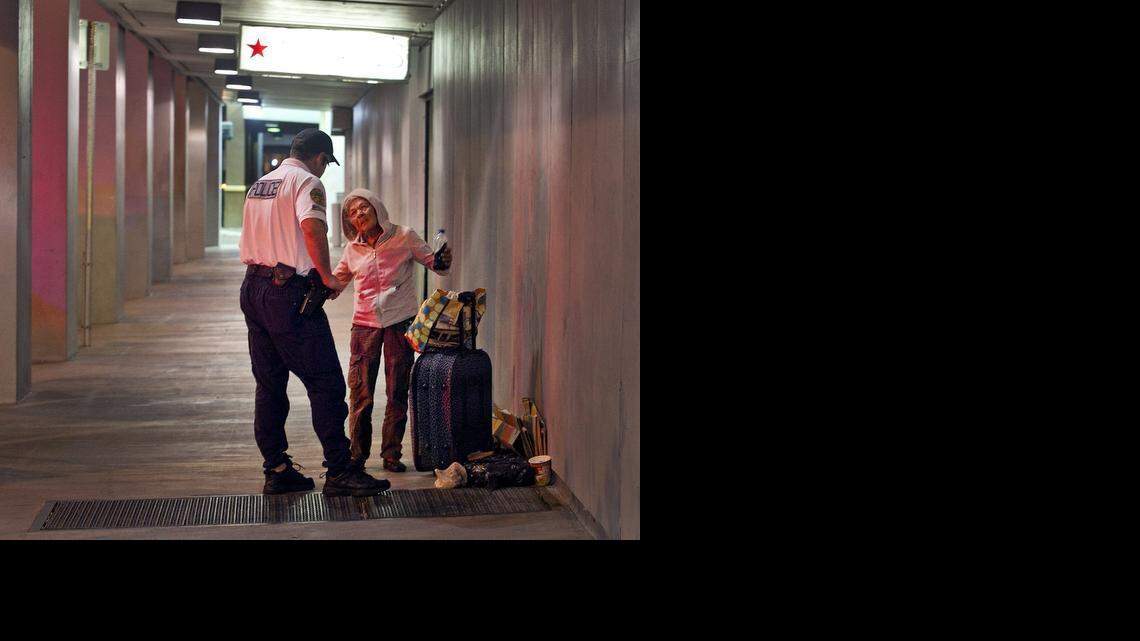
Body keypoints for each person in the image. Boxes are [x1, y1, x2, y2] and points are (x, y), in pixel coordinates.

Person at [238, 129, 389, 497]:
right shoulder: (307, 182)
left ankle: (276, 468)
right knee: (326, 383)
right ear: (320, 158)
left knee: (270, 384)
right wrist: (327, 278)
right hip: (286, 294)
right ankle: (339, 470)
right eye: (326, 163)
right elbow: (312, 229)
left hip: (253, 289)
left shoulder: (261, 184)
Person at [334, 188, 452, 473]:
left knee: (397, 389)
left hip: (399, 323)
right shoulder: (352, 249)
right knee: (361, 392)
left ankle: (391, 454)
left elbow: (436, 266)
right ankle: (357, 455)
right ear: (349, 222)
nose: (359, 214)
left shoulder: (404, 236)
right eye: (353, 212)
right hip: (363, 326)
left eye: (363, 207)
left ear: (376, 207)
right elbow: (335, 284)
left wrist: (444, 257)